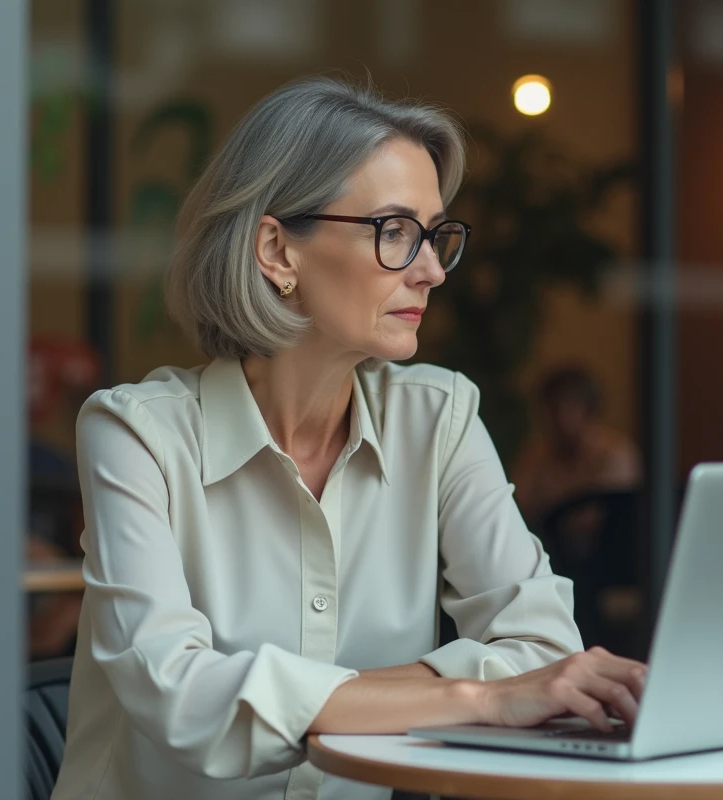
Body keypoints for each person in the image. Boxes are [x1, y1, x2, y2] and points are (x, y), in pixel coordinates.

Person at [51, 77, 647, 800]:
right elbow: (182, 696)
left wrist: (327, 697)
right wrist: (478, 696)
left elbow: (546, 647)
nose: (431, 271)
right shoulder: (136, 434)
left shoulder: (440, 419)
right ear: (277, 250)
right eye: (395, 232)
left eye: (435, 235)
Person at [513, 367, 642, 528]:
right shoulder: (535, 454)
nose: (560, 417)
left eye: (570, 407)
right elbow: (519, 507)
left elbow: (609, 518)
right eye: (553, 408)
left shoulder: (616, 454)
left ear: (589, 409)